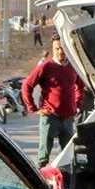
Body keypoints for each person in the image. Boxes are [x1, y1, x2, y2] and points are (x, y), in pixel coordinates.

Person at [22, 36, 86, 167]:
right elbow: (26, 86)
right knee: (43, 157)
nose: (60, 51)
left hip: (68, 118)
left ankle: (65, 178)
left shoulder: (73, 66)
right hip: (50, 116)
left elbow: (80, 87)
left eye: (63, 48)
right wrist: (33, 108)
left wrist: (77, 105)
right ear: (53, 49)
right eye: (57, 48)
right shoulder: (46, 66)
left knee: (68, 157)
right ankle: (40, 177)